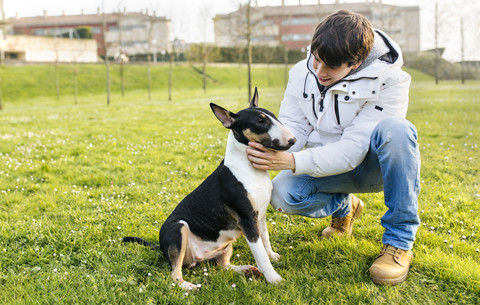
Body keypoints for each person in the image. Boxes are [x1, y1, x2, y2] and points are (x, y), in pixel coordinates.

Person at [246, 10, 420, 285]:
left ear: (357, 62)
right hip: (325, 165)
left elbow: (352, 150)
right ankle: (345, 207)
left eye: (331, 67)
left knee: (398, 130)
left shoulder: (392, 81)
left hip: (372, 168)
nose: (319, 72)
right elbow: (295, 127)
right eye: (316, 59)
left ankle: (399, 242)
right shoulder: (301, 72)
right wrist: (275, 151)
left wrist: (291, 163)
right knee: (281, 195)